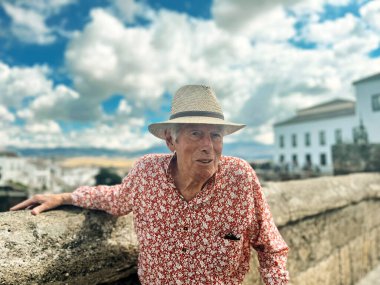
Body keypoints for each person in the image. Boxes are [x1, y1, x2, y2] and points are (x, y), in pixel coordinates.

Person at [11, 85, 289, 285]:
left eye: (215, 135)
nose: (208, 146)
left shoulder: (240, 178)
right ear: (171, 141)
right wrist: (65, 197)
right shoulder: (147, 173)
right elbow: (116, 199)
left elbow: (271, 247)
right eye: (196, 134)